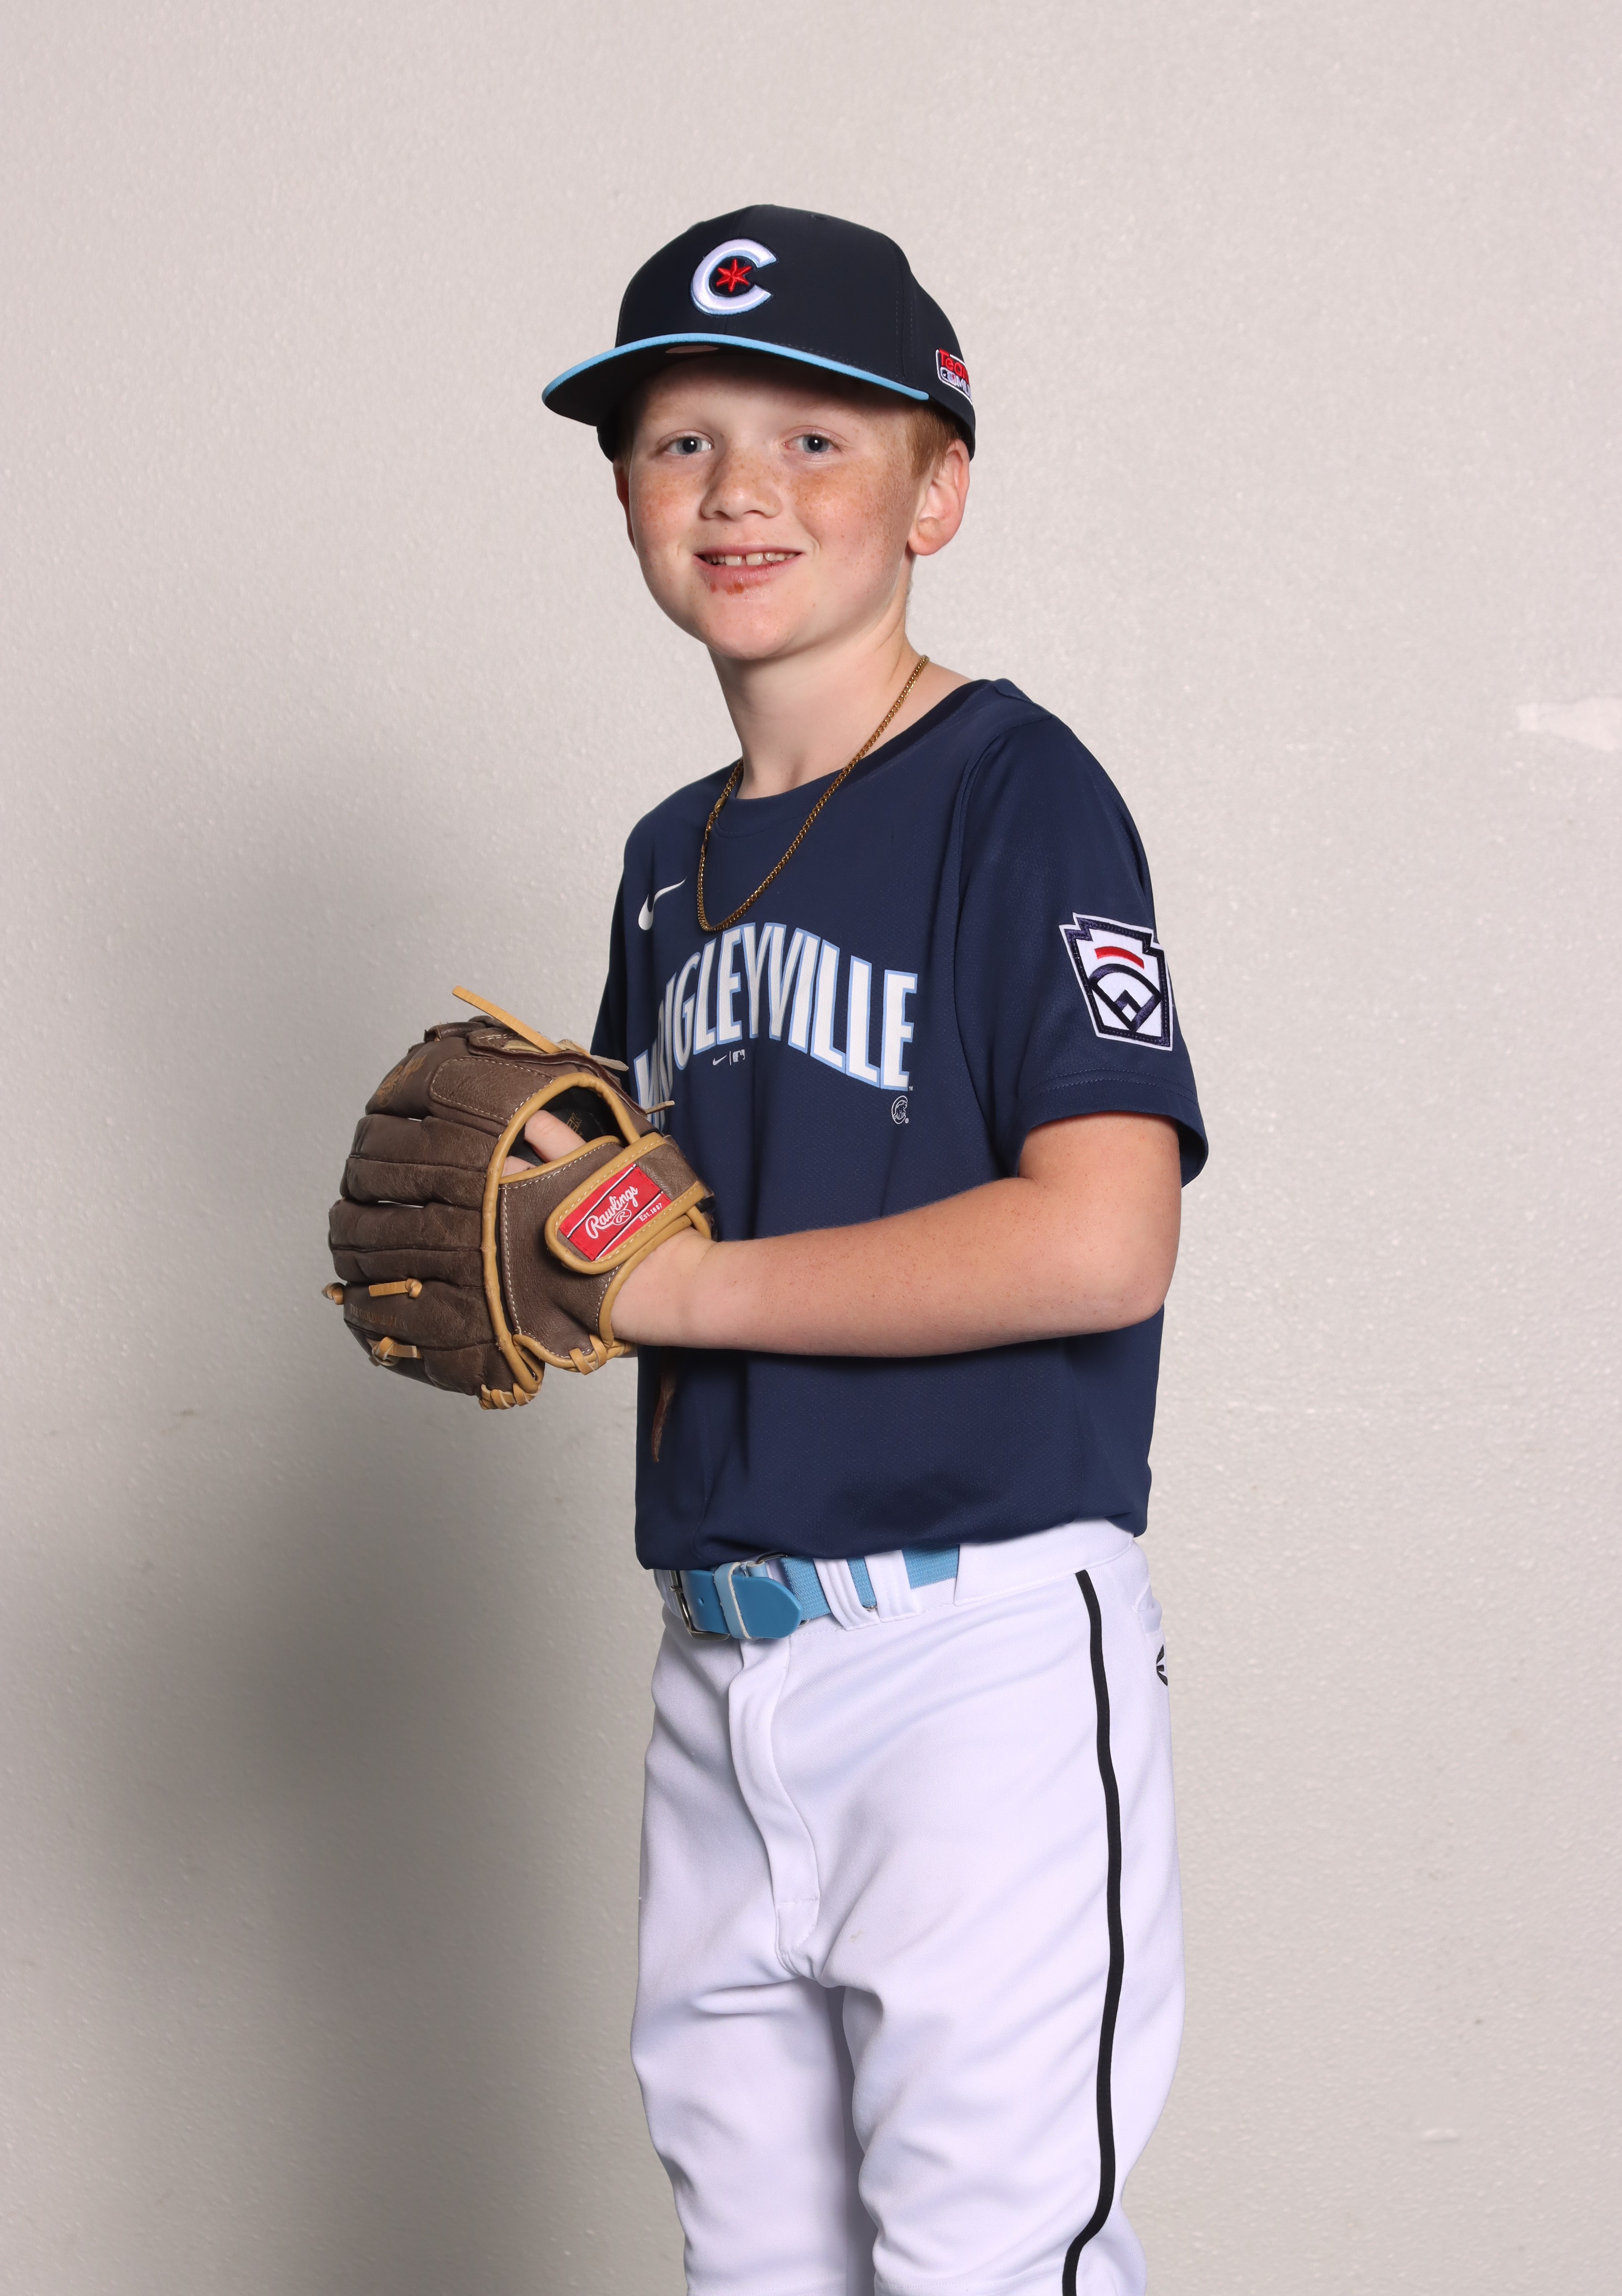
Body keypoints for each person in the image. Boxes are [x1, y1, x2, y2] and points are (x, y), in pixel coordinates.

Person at [535, 206, 1207, 2296]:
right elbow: (633, 1226)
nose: (739, 488)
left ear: (938, 489)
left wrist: (684, 1294)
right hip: (715, 1670)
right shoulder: (665, 862)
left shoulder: (1019, 792)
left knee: (988, 2272)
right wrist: (546, 1245)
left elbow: (1105, 1237)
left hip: (970, 1660)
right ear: (627, 499)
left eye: (815, 437)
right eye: (679, 440)